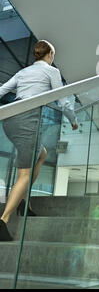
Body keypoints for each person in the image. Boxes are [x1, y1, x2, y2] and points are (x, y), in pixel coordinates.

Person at [0, 40, 78, 241]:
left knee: (41, 154)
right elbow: (62, 100)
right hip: (27, 122)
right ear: (50, 54)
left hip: (10, 120)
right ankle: (4, 220)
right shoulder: (52, 72)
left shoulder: (23, 72)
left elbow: (2, 91)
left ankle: (25, 202)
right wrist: (73, 120)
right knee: (24, 174)